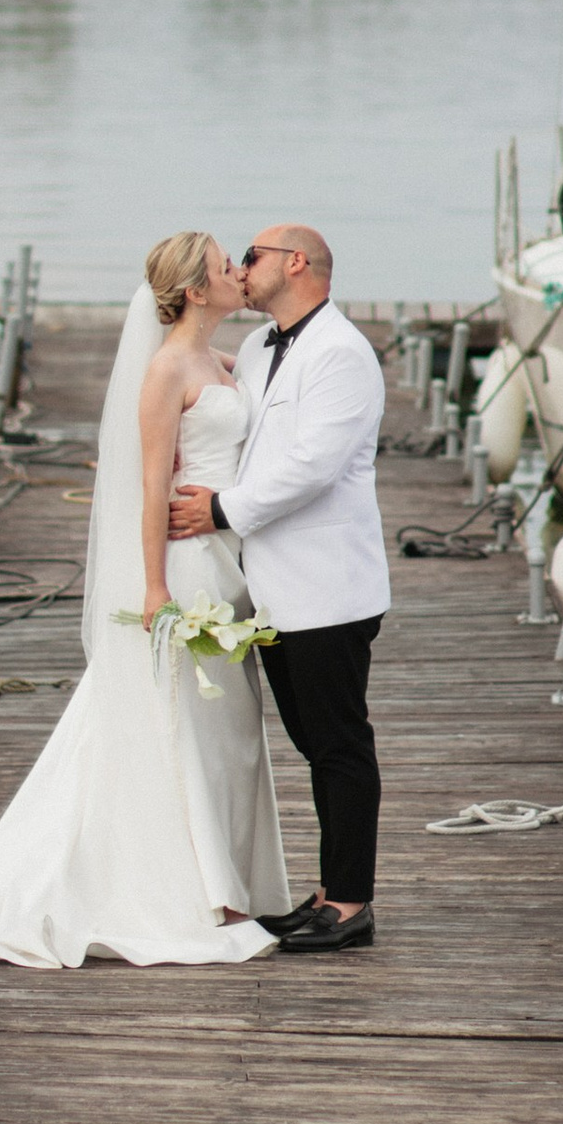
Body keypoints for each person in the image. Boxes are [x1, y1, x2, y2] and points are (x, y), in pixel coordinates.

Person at [0, 232, 288, 967]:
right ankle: (196, 892)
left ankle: (223, 880)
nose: (239, 273)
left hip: (227, 564)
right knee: (183, 731)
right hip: (185, 567)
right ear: (196, 291)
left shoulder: (220, 359)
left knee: (225, 736)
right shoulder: (167, 369)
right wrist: (154, 586)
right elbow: (147, 485)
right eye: (224, 267)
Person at [168, 220, 387, 954]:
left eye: (252, 256)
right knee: (310, 742)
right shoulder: (261, 346)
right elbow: (230, 424)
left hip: (327, 587)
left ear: (296, 263)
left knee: (339, 745)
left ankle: (351, 903)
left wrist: (220, 511)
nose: (241, 265)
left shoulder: (343, 354)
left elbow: (312, 466)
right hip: (267, 589)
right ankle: (326, 892)